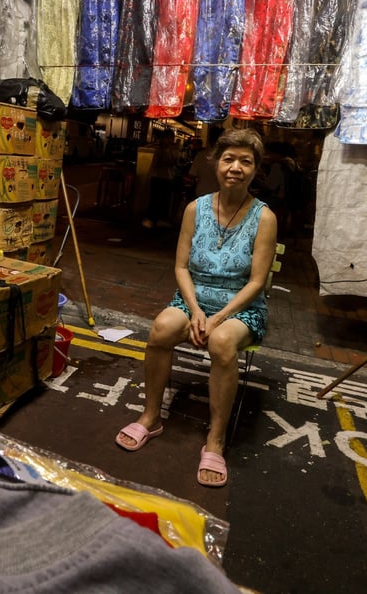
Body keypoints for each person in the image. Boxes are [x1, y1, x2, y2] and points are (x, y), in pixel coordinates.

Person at [115, 128, 278, 488]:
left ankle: (215, 440)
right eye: (228, 159)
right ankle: (151, 416)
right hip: (194, 299)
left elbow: (257, 282)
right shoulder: (195, 208)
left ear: (255, 169)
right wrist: (196, 309)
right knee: (160, 329)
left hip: (240, 307)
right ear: (216, 163)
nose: (235, 167)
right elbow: (181, 267)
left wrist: (217, 317)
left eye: (245, 161)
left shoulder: (264, 218)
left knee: (221, 342)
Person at [185, 128, 220, 198]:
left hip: (202, 193)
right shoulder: (226, 157)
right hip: (219, 197)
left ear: (209, 141)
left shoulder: (201, 155)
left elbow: (192, 174)